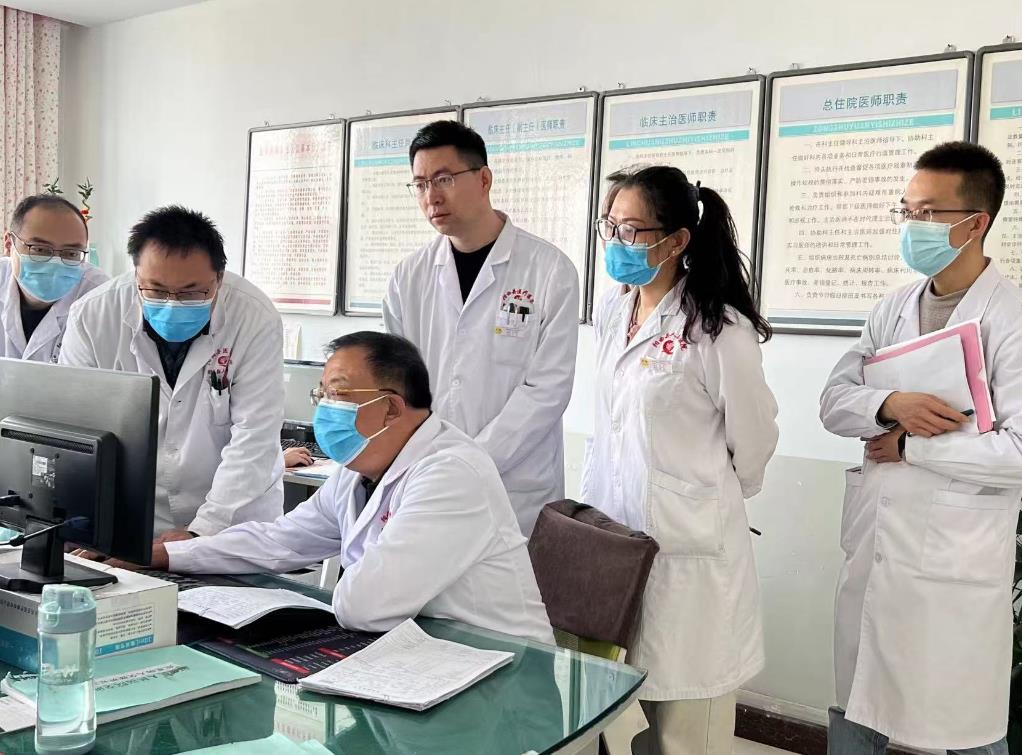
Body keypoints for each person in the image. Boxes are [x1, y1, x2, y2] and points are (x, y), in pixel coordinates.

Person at [148, 331, 555, 644]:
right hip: (419, 656)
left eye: (338, 394)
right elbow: (281, 541)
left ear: (391, 407)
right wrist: (170, 555)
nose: (325, 408)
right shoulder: (358, 467)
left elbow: (366, 605)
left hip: (499, 666)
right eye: (321, 394)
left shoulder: (451, 474)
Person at [820, 142, 1021, 754]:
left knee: (964, 723)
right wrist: (889, 404)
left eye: (929, 213)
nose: (912, 225)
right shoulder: (892, 308)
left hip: (956, 560)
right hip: (878, 541)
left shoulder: (1012, 318)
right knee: (858, 706)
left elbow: (1018, 452)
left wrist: (912, 448)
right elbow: (834, 402)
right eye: (907, 210)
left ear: (975, 223)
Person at [582, 166, 778, 755]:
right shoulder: (614, 311)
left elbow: (755, 438)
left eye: (632, 230)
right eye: (610, 226)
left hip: (688, 552)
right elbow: (609, 427)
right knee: (617, 718)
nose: (617, 242)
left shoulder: (718, 328)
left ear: (677, 241)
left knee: (686, 733)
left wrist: (704, 498)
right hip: (614, 542)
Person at [383, 120, 579, 535]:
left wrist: (471, 461)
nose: (432, 196)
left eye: (444, 179)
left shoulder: (549, 270)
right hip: (427, 480)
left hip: (513, 489)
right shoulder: (408, 277)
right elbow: (395, 386)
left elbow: (547, 390)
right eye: (420, 184)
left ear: (484, 179)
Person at [60, 205, 285, 552]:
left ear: (219, 279)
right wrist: (90, 523)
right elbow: (75, 430)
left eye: (192, 292)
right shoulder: (94, 316)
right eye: (156, 290)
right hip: (134, 519)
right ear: (136, 275)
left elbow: (255, 436)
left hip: (233, 520)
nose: (172, 304)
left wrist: (202, 532)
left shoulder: (254, 317)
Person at [1, 194, 108, 362]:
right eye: (40, 249)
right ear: (9, 244)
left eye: (71, 253)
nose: (55, 263)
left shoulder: (100, 297)